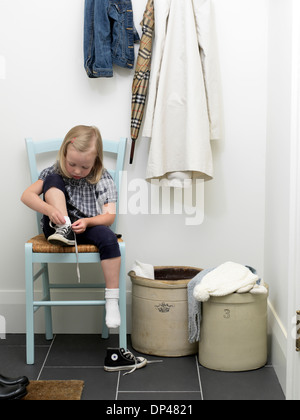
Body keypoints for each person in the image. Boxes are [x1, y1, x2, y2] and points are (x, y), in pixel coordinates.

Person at [21, 125, 121, 329]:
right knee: (52, 179)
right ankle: (64, 227)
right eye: (72, 164)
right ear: (64, 154)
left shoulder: (102, 177)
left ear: (96, 161)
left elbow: (109, 216)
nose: (77, 171)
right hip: (57, 227)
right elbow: (27, 196)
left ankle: (112, 299)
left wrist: (88, 221)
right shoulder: (55, 170)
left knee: (109, 238)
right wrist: (49, 210)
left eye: (85, 167)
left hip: (86, 227)